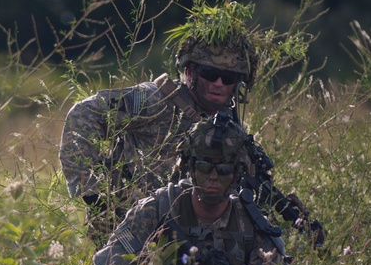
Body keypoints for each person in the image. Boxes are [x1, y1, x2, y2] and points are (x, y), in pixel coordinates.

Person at [59, 30, 324, 248]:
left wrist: (292, 222)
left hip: (189, 242)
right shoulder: (155, 100)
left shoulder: (228, 128)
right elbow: (83, 115)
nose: (219, 83)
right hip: (132, 233)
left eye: (229, 77)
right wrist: (96, 194)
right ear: (190, 72)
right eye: (210, 74)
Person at [89, 114, 298, 265]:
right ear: (190, 167)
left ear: (237, 172)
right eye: (204, 165)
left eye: (224, 168)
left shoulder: (250, 224)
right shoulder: (157, 209)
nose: (213, 176)